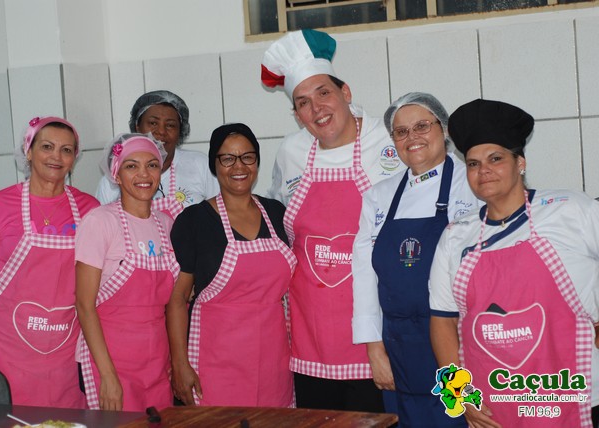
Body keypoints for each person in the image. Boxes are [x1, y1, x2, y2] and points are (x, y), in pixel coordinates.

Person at [429, 99, 599, 427]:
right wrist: (459, 395)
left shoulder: (569, 209)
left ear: (520, 162)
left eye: (495, 159)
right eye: (474, 163)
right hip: (495, 407)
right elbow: (442, 321)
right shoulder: (456, 235)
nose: (484, 170)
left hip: (578, 397)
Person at [261, 29, 405, 411]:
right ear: (296, 115)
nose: (317, 109)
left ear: (346, 92)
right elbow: (280, 225)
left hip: (381, 335)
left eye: (323, 92)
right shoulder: (291, 152)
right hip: (312, 337)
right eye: (303, 103)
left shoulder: (389, 140)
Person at [352, 93, 478, 426]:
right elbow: (364, 275)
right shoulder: (378, 196)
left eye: (422, 126)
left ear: (444, 128)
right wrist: (374, 347)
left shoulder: (473, 184)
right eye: (401, 131)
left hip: (460, 342)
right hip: (399, 348)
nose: (412, 137)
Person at [0, 116, 99, 408]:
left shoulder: (91, 210)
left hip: (67, 350)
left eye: (66, 150)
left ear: (75, 158)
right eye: (47, 147)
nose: (56, 157)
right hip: (4, 348)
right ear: (28, 151)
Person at [170, 123, 295, 407]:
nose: (239, 166)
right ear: (214, 165)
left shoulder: (277, 213)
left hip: (274, 358)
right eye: (227, 158)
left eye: (247, 157)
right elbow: (178, 299)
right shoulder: (194, 220)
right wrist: (179, 364)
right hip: (215, 360)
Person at [75, 133, 178, 411]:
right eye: (132, 166)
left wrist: (170, 358)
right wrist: (108, 376)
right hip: (110, 362)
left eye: (152, 165)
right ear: (116, 175)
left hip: (156, 363)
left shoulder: (167, 224)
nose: (144, 174)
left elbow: (170, 305)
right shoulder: (100, 222)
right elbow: (84, 305)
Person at [95, 90, 218, 219]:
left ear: (180, 131)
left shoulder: (200, 164)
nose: (161, 131)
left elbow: (222, 213)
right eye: (153, 123)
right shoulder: (115, 177)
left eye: (170, 125)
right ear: (137, 127)